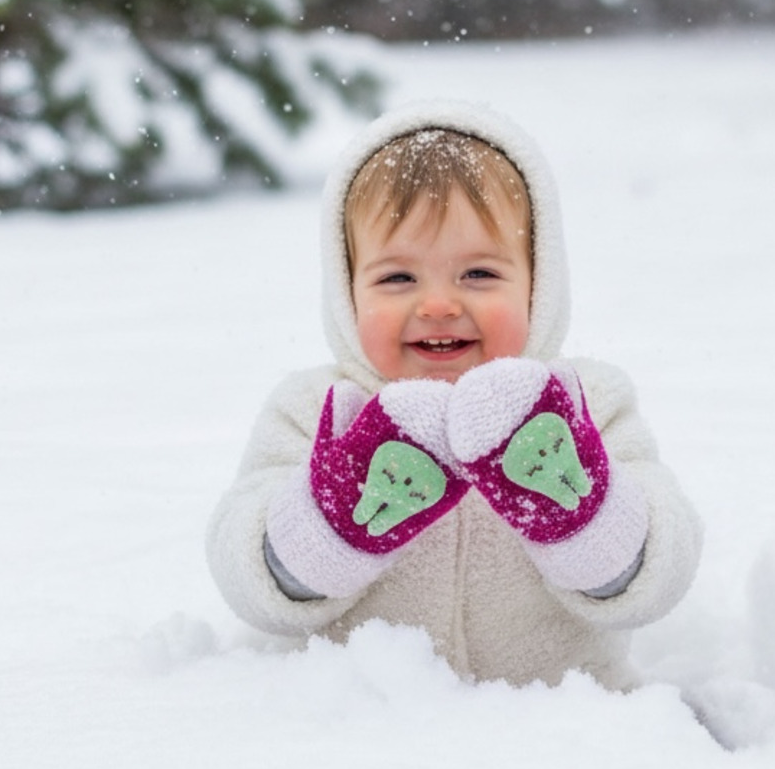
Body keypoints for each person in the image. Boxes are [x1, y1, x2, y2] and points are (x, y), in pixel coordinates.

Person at [205, 100, 702, 688]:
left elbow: (663, 570)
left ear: (538, 285)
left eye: (479, 275)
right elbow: (245, 574)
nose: (439, 304)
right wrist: (329, 524)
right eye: (397, 278)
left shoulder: (584, 403)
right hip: (364, 721)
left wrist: (587, 519)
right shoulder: (317, 412)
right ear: (347, 291)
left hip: (563, 720)